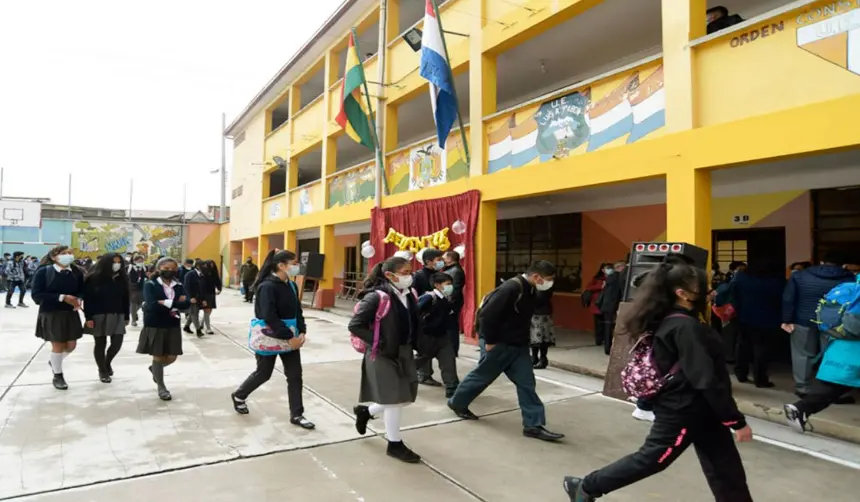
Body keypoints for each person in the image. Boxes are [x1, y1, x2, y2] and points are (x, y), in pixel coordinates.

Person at [562, 261, 753, 502]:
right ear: (681, 294)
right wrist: (735, 420)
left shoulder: (676, 319)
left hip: (704, 410)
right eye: (701, 287)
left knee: (727, 470)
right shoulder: (684, 326)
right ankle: (586, 486)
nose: (709, 291)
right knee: (653, 459)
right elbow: (705, 378)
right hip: (684, 408)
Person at [448, 260, 565, 442]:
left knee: (526, 383)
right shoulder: (511, 288)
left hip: (518, 346)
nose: (549, 283)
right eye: (548, 279)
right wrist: (490, 341)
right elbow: (487, 315)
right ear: (536, 277)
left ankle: (533, 425)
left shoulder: (532, 289)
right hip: (500, 343)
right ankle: (457, 402)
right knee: (482, 377)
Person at [231, 250, 314, 429]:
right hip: (272, 336)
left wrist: (302, 331)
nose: (297, 266)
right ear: (281, 266)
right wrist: (288, 337)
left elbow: (297, 311)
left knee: (295, 376)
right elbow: (268, 315)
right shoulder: (267, 287)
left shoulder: (290, 285)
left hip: (291, 336)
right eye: (294, 262)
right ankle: (239, 395)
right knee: (264, 373)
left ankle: (297, 414)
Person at [350, 257, 422, 463]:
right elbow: (355, 325)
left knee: (404, 396)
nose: (409, 276)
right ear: (390, 275)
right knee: (393, 400)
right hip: (382, 354)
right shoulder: (377, 297)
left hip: (404, 351)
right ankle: (394, 444)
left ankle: (366, 411)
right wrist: (378, 342)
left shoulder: (411, 294)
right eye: (405, 272)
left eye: (411, 272)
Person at [782, 250, 855, 397]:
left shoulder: (800, 275)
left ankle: (803, 388)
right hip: (834, 324)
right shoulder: (850, 278)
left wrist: (787, 319)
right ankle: (834, 392)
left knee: (802, 354)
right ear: (844, 265)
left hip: (803, 319)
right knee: (833, 356)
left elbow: (788, 299)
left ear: (821, 262)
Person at [31, 246, 86, 390]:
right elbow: (36, 294)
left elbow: (81, 290)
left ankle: (55, 362)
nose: (68, 255)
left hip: (70, 313)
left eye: (69, 253)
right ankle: (58, 375)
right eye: (63, 253)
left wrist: (79, 298)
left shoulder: (76, 272)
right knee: (58, 345)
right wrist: (62, 297)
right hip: (51, 312)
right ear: (54, 257)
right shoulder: (44, 272)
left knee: (71, 345)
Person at [137, 257, 191, 400]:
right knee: (159, 356)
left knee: (172, 356)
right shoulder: (151, 284)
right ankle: (161, 386)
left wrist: (166, 302)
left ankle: (155, 369)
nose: (169, 271)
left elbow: (187, 304)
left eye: (172, 268)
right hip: (155, 324)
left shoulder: (178, 285)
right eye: (166, 268)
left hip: (173, 324)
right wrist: (175, 303)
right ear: (158, 269)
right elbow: (152, 305)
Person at [730, 260, 784, 388]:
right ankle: (760, 379)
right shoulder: (774, 282)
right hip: (767, 320)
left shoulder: (741, 278)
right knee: (761, 350)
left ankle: (740, 374)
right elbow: (780, 300)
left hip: (743, 317)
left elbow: (733, 296)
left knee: (742, 346)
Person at [82, 253, 130, 383]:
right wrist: (88, 317)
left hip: (118, 314)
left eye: (119, 262)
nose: (117, 264)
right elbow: (88, 300)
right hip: (98, 315)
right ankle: (102, 370)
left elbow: (126, 298)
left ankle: (107, 362)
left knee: (117, 343)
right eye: (114, 261)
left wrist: (127, 315)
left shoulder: (122, 278)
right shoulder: (93, 278)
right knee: (100, 343)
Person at [415, 272, 460, 397]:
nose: (450, 287)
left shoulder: (446, 298)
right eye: (447, 284)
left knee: (449, 362)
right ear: (437, 285)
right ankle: (402, 374)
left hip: (443, 337)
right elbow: (414, 313)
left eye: (451, 284)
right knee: (421, 360)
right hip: (428, 337)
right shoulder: (429, 298)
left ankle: (452, 390)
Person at [412, 248, 446, 386]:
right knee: (425, 349)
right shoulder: (419, 276)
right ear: (428, 261)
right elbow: (414, 296)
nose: (442, 262)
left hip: (437, 317)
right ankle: (422, 374)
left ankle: (423, 374)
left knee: (432, 348)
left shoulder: (439, 274)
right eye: (439, 260)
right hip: (424, 318)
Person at [597, 260, 628, 355]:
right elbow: (618, 293)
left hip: (607, 306)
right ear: (621, 268)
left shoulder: (610, 277)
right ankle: (612, 348)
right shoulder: (619, 277)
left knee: (608, 328)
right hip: (614, 306)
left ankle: (608, 348)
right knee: (615, 328)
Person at [442, 250, 465, 357]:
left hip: (452, 303)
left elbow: (455, 289)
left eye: (444, 258)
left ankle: (453, 350)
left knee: (452, 326)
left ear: (450, 259)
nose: (442, 260)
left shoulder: (456, 271)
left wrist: (449, 304)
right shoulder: (449, 270)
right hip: (448, 301)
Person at [530, 282, 555, 369]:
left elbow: (539, 298)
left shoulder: (544, 285)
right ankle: (534, 357)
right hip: (537, 312)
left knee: (541, 338)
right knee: (535, 337)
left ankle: (542, 359)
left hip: (541, 313)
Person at [585, 263, 610, 346]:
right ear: (602, 270)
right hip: (597, 304)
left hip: (607, 303)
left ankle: (606, 340)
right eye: (607, 268)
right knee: (598, 324)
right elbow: (589, 287)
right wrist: (600, 286)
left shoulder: (612, 278)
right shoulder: (597, 278)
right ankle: (599, 340)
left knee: (607, 324)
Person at [182, 260, 204, 338]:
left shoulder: (201, 275)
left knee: (193, 313)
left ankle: (186, 326)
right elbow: (186, 287)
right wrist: (190, 297)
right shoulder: (190, 274)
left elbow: (201, 288)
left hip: (198, 298)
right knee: (194, 313)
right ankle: (198, 330)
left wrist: (203, 299)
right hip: (192, 297)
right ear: (198, 266)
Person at [200, 260, 222, 335]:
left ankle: (202, 323)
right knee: (206, 310)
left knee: (209, 310)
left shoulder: (214, 272)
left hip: (211, 293)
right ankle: (208, 328)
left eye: (213, 264)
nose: (212, 265)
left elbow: (217, 281)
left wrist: (219, 289)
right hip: (204, 293)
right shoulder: (203, 273)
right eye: (210, 264)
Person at [128, 254, 147, 327]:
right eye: (139, 261)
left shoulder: (144, 268)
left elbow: (147, 275)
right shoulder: (130, 267)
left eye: (142, 261)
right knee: (133, 302)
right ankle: (133, 320)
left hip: (141, 287)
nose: (141, 262)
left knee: (140, 302)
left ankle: (134, 312)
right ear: (135, 261)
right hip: (132, 287)